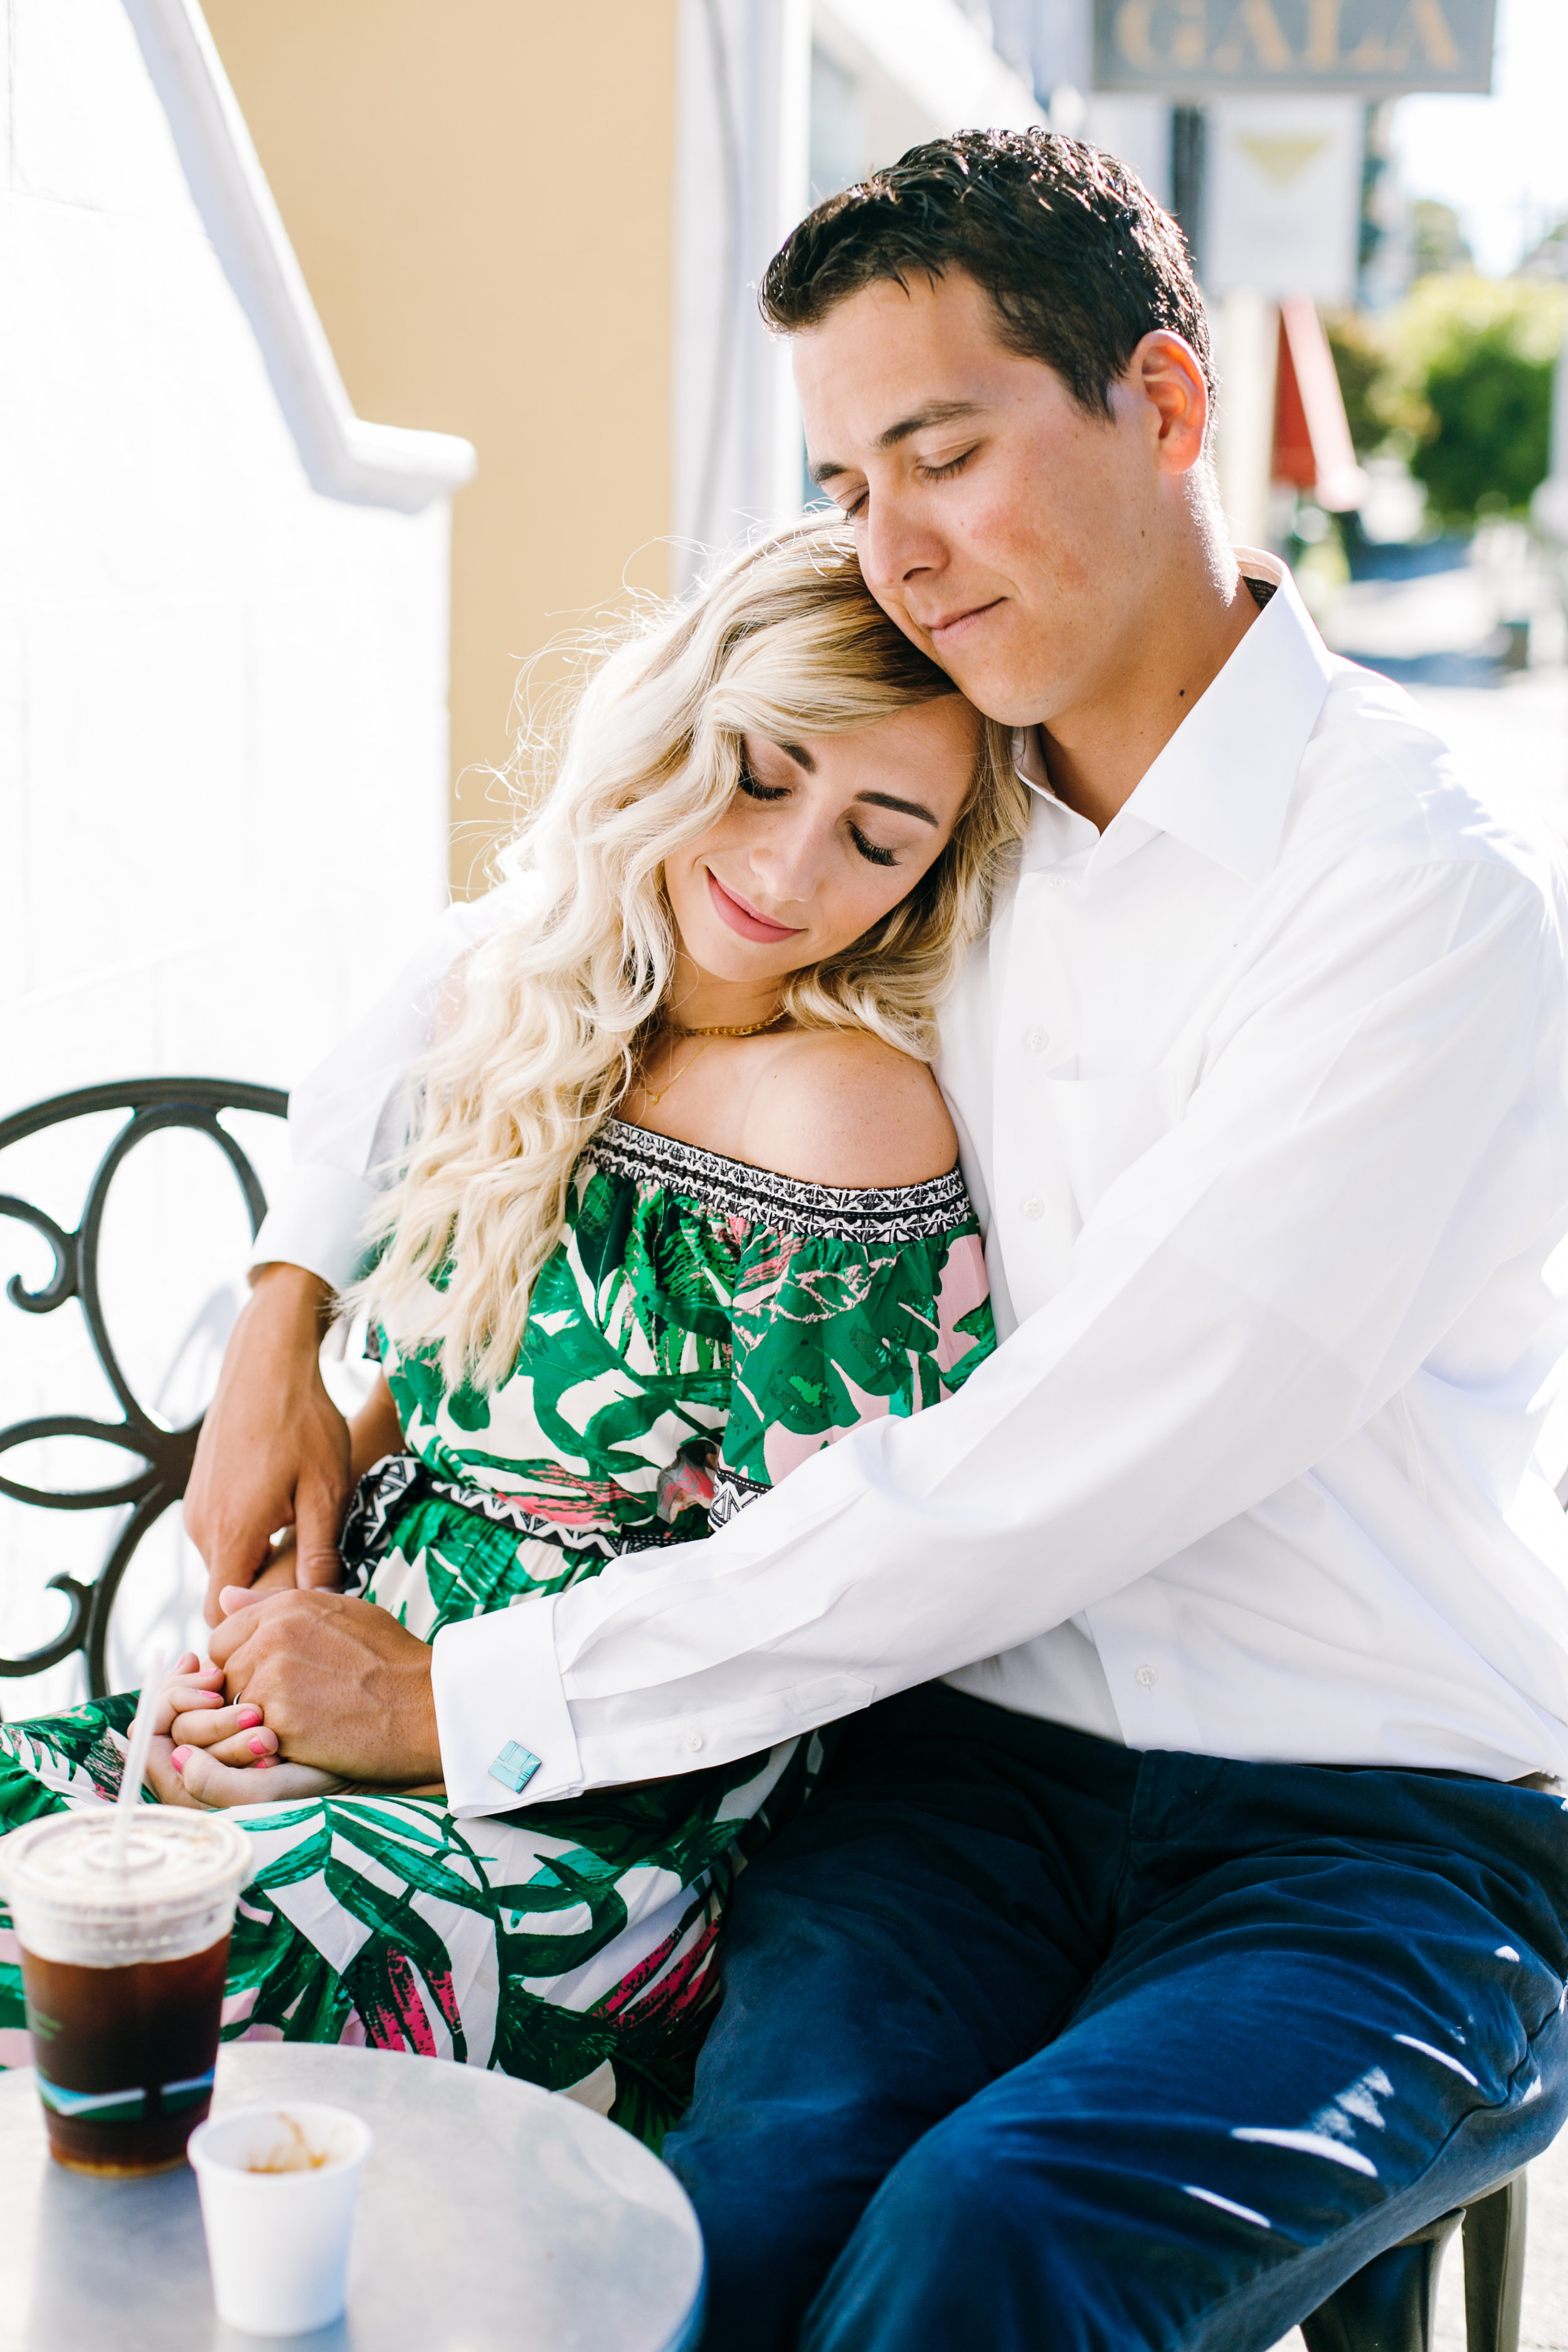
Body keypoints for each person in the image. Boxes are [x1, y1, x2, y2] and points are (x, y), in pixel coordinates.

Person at [78, 129, 1568, 2350]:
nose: (892, 544)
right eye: (847, 479)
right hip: (963, 1772)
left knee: (1003, 2234)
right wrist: (286, 1315)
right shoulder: (944, 826)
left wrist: (457, 1696)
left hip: (1378, 1819)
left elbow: (1073, 1459)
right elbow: (504, 944)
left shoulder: (1413, 896)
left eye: (939, 454)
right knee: (744, 2217)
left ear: (1164, 409)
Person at [0, 526, 1027, 2146]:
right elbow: (453, 1409)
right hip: (331, 1716)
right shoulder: (530, 1003)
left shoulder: (838, 1119)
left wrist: (428, 1697)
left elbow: (841, 1601)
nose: (785, 873)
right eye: (759, 776)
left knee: (83, 1967)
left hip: (594, 1820)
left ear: (928, 877)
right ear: (674, 731)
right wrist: (285, 1620)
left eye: (875, 839)